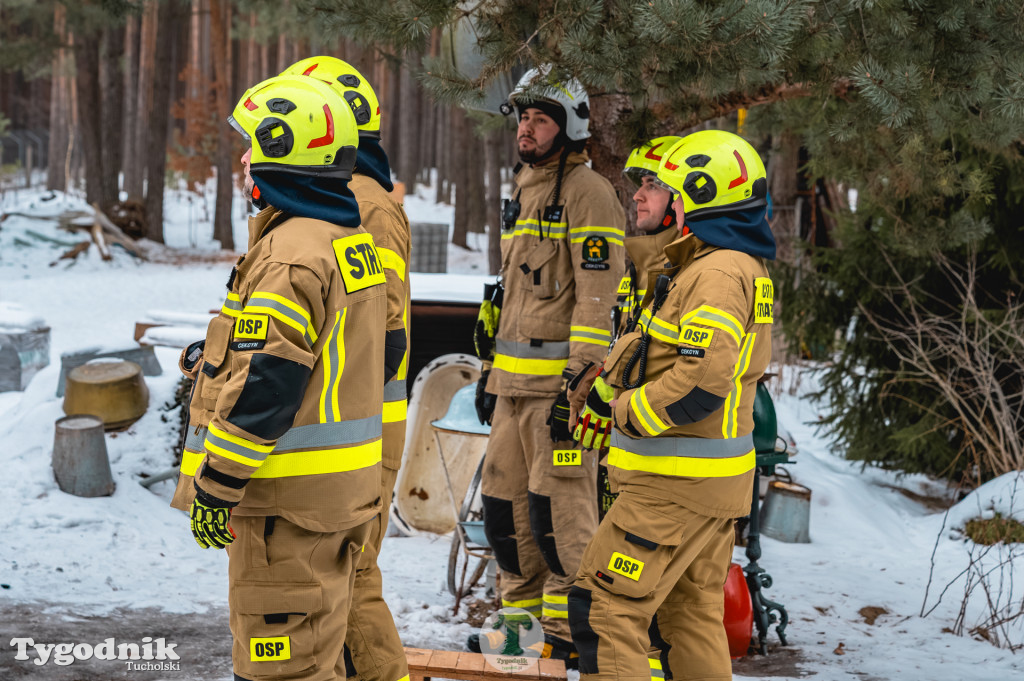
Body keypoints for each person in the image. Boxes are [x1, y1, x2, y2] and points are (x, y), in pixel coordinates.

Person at [169, 74, 402, 681]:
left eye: (253, 145)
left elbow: (267, 387)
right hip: (340, 499)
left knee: (285, 670)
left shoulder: (290, 256)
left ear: (283, 152)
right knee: (328, 652)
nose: (243, 158)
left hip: (285, 510)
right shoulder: (347, 242)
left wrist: (217, 485)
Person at [567, 129, 776, 681]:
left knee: (604, 610)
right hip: (704, 486)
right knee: (690, 616)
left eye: (663, 188)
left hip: (673, 488)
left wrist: (624, 411)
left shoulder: (717, 275)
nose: (640, 194)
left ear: (698, 201)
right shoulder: (717, 266)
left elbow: (702, 381)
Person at [472, 66, 626, 663]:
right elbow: (513, 296)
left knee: (559, 519)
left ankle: (571, 645)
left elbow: (597, 291)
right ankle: (517, 642)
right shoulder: (524, 186)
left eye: (541, 119)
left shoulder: (587, 192)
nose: (527, 129)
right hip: (512, 387)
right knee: (506, 517)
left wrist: (581, 385)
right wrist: (491, 376)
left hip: (556, 392)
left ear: (570, 125)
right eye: (524, 118)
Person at [283, 55, 412, 681]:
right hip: (345, 424)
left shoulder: (365, 204)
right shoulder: (340, 196)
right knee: (346, 579)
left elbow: (380, 332)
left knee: (352, 578)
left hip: (359, 427)